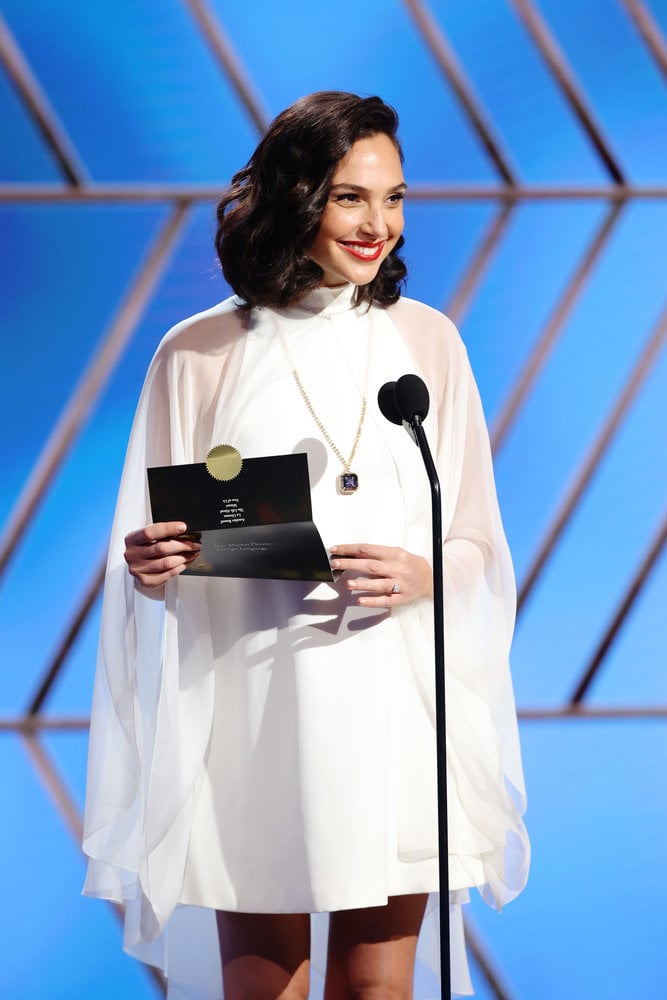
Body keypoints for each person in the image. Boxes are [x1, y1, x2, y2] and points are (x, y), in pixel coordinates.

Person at [83, 91, 529, 999]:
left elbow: (477, 533)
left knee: (378, 988)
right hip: (256, 702)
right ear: (295, 197)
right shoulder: (199, 350)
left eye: (394, 198)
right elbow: (164, 548)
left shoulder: (427, 343)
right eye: (351, 197)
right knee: (267, 990)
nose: (379, 225)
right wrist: (153, 566)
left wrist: (425, 572)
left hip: (393, 696)